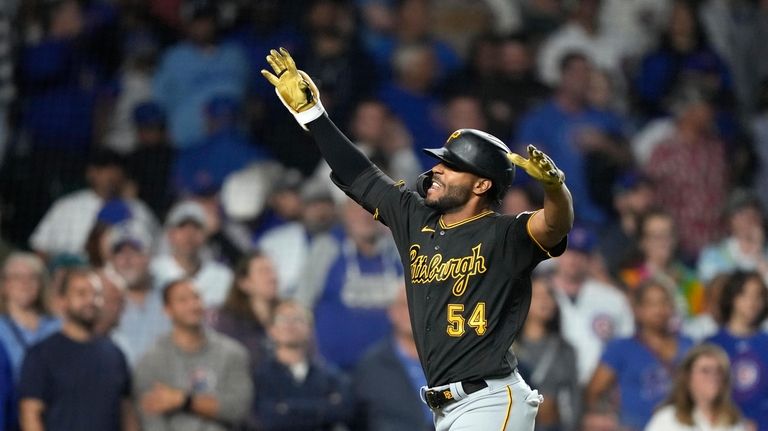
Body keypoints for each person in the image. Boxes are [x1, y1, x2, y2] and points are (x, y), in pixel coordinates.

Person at [262, 47, 573, 431]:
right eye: (441, 161)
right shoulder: (415, 217)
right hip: (446, 404)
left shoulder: (505, 233)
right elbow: (360, 176)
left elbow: (554, 226)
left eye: (452, 165)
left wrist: (555, 190)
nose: (438, 169)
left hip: (490, 398)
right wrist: (314, 116)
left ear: (481, 183)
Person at [18, 267, 138, 431]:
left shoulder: (114, 353)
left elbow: (126, 411)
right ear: (62, 301)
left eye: (95, 294)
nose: (90, 300)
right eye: (81, 294)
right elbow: (30, 414)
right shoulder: (41, 355)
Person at [134, 278, 252, 431]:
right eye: (183, 300)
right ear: (167, 310)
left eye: (196, 297)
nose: (193, 305)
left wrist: (183, 400)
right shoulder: (150, 361)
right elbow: (150, 420)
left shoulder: (233, 353)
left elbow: (239, 409)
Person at [586, 279, 694, 431]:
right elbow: (593, 391)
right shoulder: (621, 348)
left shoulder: (688, 345)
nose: (659, 310)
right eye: (651, 304)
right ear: (638, 310)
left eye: (664, 303)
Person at [251, 299, 354, 431]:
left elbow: (343, 412)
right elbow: (268, 420)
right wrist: (321, 408)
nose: (290, 325)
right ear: (271, 330)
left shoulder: (332, 378)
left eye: (297, 319)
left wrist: (286, 408)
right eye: (282, 319)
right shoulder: (259, 377)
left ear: (310, 329)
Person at [354, 284, 434, 431]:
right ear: (392, 312)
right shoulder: (371, 366)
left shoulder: (450, 359)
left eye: (419, 303)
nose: (413, 310)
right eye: (405, 304)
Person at [514, 273, 580, 431]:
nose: (545, 301)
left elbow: (574, 396)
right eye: (537, 295)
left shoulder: (565, 348)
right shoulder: (508, 347)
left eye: (549, 295)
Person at [706, 271, 768, 431]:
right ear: (732, 297)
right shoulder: (712, 344)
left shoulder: (765, 342)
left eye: (758, 295)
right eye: (744, 294)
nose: (752, 302)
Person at [108, 221, 171, 367]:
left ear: (149, 257)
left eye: (135, 252)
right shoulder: (104, 304)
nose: (127, 260)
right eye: (119, 253)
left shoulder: (169, 298)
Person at [645, 343, 747, 431]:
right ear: (687, 377)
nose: (713, 377)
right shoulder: (667, 419)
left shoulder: (734, 421)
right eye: (705, 371)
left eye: (719, 371)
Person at [151, 200, 233, 307]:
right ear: (170, 234)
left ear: (205, 234)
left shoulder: (223, 277)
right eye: (182, 227)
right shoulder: (153, 273)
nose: (189, 234)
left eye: (196, 227)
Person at [208, 250, 278, 366]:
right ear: (244, 283)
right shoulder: (228, 322)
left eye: (273, 271)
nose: (273, 277)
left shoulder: (288, 314)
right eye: (263, 272)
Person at [0, 253, 59, 380]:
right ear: (5, 284)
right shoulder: (1, 328)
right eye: (17, 277)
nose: (25, 283)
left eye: (32, 277)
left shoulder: (58, 326)